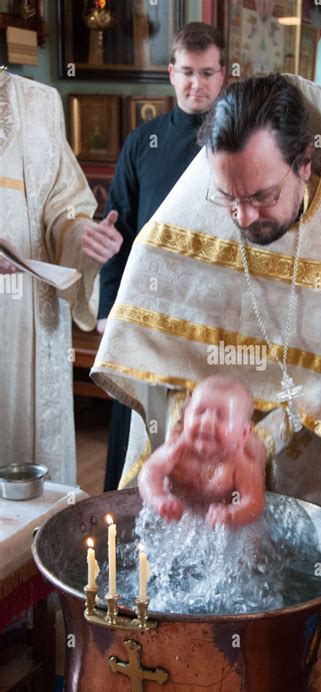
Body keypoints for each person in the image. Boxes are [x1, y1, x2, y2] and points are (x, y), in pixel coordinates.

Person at [92, 74, 321, 692]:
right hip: (210, 496)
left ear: (305, 163)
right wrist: (190, 428)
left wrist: (266, 433)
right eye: (228, 200)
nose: (244, 218)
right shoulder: (200, 209)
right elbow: (153, 337)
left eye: (262, 196)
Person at [97, 22, 226, 491]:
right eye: (188, 72)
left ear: (223, 74)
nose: (198, 84)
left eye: (208, 73)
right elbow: (118, 229)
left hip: (214, 314)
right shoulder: (142, 142)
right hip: (148, 312)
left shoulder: (238, 141)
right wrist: (109, 311)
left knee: (203, 433)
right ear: (171, 73)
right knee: (140, 432)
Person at [0, 69, 121, 483]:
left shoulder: (39, 104)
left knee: (31, 470)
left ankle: (32, 542)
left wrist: (86, 237)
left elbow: (65, 207)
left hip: (29, 312)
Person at [138, 375, 266, 528]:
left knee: (250, 541)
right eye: (199, 411)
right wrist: (158, 498)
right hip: (181, 519)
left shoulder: (240, 462)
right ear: (185, 416)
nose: (207, 421)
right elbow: (149, 472)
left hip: (225, 529)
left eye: (221, 416)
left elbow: (254, 503)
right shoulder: (177, 449)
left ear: (244, 432)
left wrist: (232, 514)